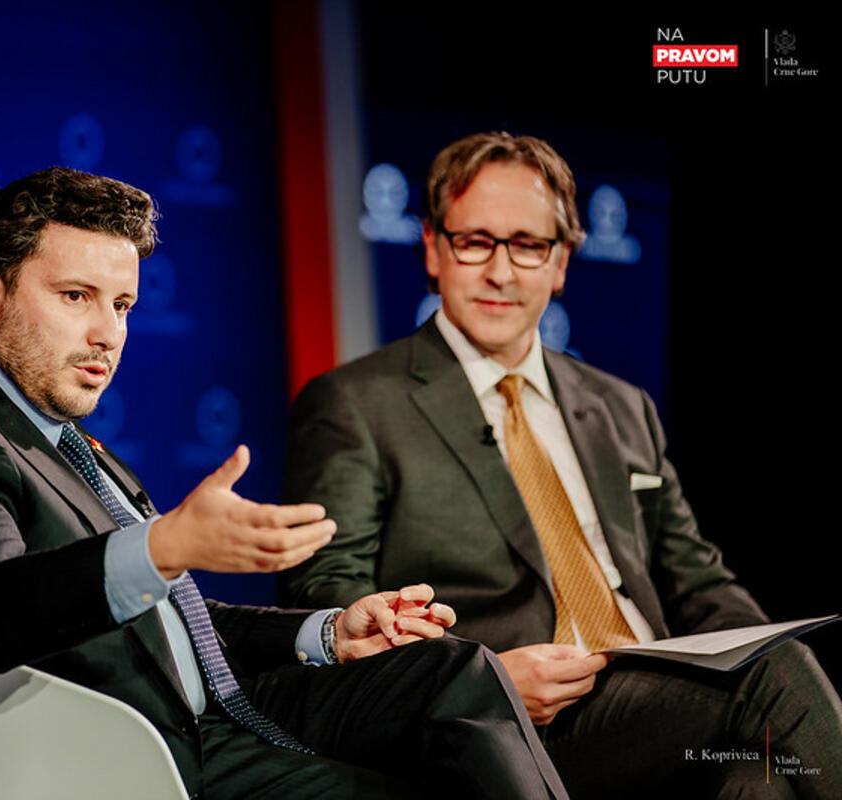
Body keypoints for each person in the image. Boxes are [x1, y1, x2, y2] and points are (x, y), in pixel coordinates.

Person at [0, 166, 569, 799]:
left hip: (221, 711)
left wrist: (327, 633)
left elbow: (169, 623)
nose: (108, 333)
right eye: (75, 296)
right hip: (147, 753)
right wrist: (163, 548)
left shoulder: (54, 434)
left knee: (455, 673)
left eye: (121, 305)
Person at [280, 132, 842, 799]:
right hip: (507, 725)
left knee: (762, 774)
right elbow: (328, 600)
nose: (501, 272)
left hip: (659, 702)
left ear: (561, 262)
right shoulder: (355, 403)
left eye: (527, 245)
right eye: (475, 241)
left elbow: (698, 580)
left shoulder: (621, 405)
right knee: (775, 678)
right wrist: (477, 681)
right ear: (433, 247)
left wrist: (754, 643)